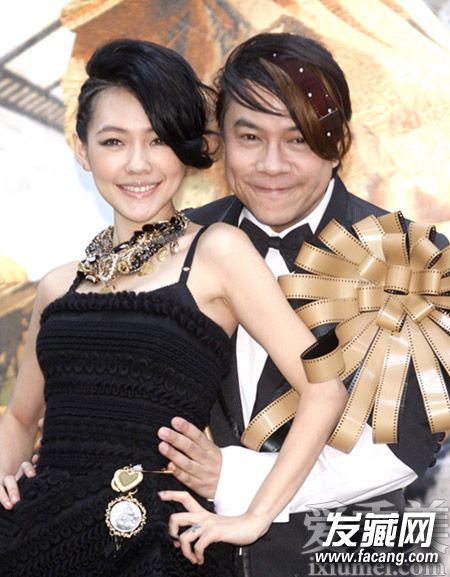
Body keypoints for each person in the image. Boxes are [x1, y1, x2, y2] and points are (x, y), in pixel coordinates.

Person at [0, 38, 347, 577]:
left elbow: (325, 388)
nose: (138, 164)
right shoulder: (56, 286)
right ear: (82, 150)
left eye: (158, 140)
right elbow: (22, 417)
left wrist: (254, 517)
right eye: (114, 141)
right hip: (37, 539)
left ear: (185, 149)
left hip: (155, 546)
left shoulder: (217, 252)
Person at [155, 33, 449, 576]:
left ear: (339, 143)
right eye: (250, 137)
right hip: (185, 557)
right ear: (221, 139)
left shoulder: (414, 257)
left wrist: (234, 478)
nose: (272, 165)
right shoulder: (179, 242)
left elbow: (406, 444)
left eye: (298, 140)